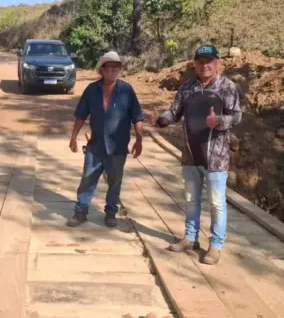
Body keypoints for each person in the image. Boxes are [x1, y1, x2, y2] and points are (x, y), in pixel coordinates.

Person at [150, 44, 241, 264]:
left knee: (216, 203)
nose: (204, 65)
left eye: (209, 61)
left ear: (217, 63)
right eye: (200, 61)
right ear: (195, 64)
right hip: (190, 154)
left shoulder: (227, 87)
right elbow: (175, 112)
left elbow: (237, 116)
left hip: (216, 157)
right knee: (191, 200)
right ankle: (190, 238)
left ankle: (215, 246)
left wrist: (218, 121)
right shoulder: (187, 87)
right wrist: (160, 120)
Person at [67, 51, 144, 228]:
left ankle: (111, 213)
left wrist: (139, 140)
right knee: (87, 179)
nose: (114, 70)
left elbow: (137, 116)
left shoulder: (127, 90)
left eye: (117, 67)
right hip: (96, 145)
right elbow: (81, 115)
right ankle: (81, 211)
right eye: (110, 67)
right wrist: (73, 137)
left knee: (115, 181)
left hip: (118, 147)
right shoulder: (91, 90)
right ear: (102, 69)